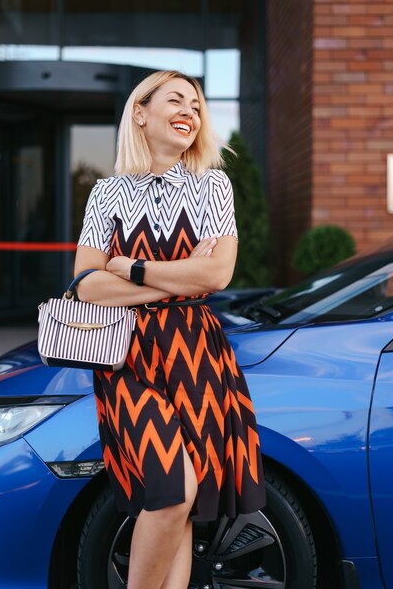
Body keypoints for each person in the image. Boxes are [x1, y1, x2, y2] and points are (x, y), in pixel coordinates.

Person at [74, 70, 265, 589]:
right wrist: (177, 283)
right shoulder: (107, 194)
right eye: (176, 99)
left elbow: (216, 274)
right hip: (127, 358)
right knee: (172, 490)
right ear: (140, 112)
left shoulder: (212, 183)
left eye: (197, 105)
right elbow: (86, 287)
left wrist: (129, 268)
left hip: (196, 357)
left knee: (179, 504)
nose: (189, 111)